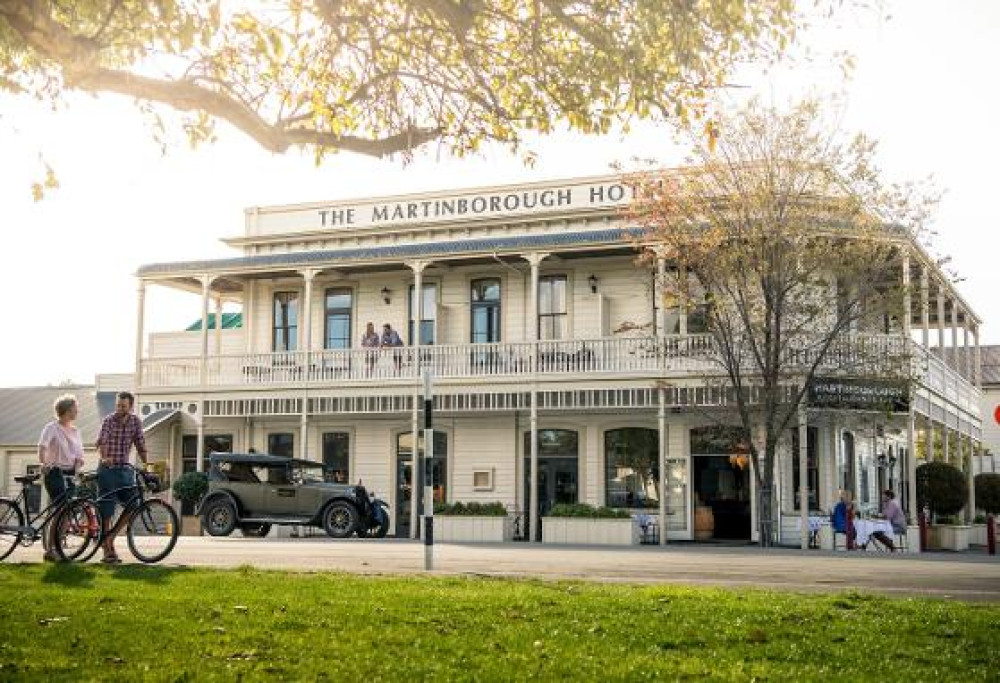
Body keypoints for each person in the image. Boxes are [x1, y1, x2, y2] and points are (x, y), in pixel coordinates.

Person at [95, 391, 148, 564]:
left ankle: (110, 537)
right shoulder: (109, 420)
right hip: (107, 470)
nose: (119, 408)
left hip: (124, 471)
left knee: (133, 504)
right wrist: (104, 458)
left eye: (123, 406)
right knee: (107, 510)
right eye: (117, 405)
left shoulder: (135, 422)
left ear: (130, 406)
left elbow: (141, 445)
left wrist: (147, 466)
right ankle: (107, 551)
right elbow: (102, 440)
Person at [37, 394, 85, 562]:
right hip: (55, 472)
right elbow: (42, 447)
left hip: (70, 474)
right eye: (74, 409)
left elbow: (79, 455)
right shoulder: (51, 428)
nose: (76, 412)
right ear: (65, 410)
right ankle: (50, 549)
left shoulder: (75, 431)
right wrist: (44, 463)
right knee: (61, 509)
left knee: (67, 513)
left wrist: (78, 469)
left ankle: (57, 548)